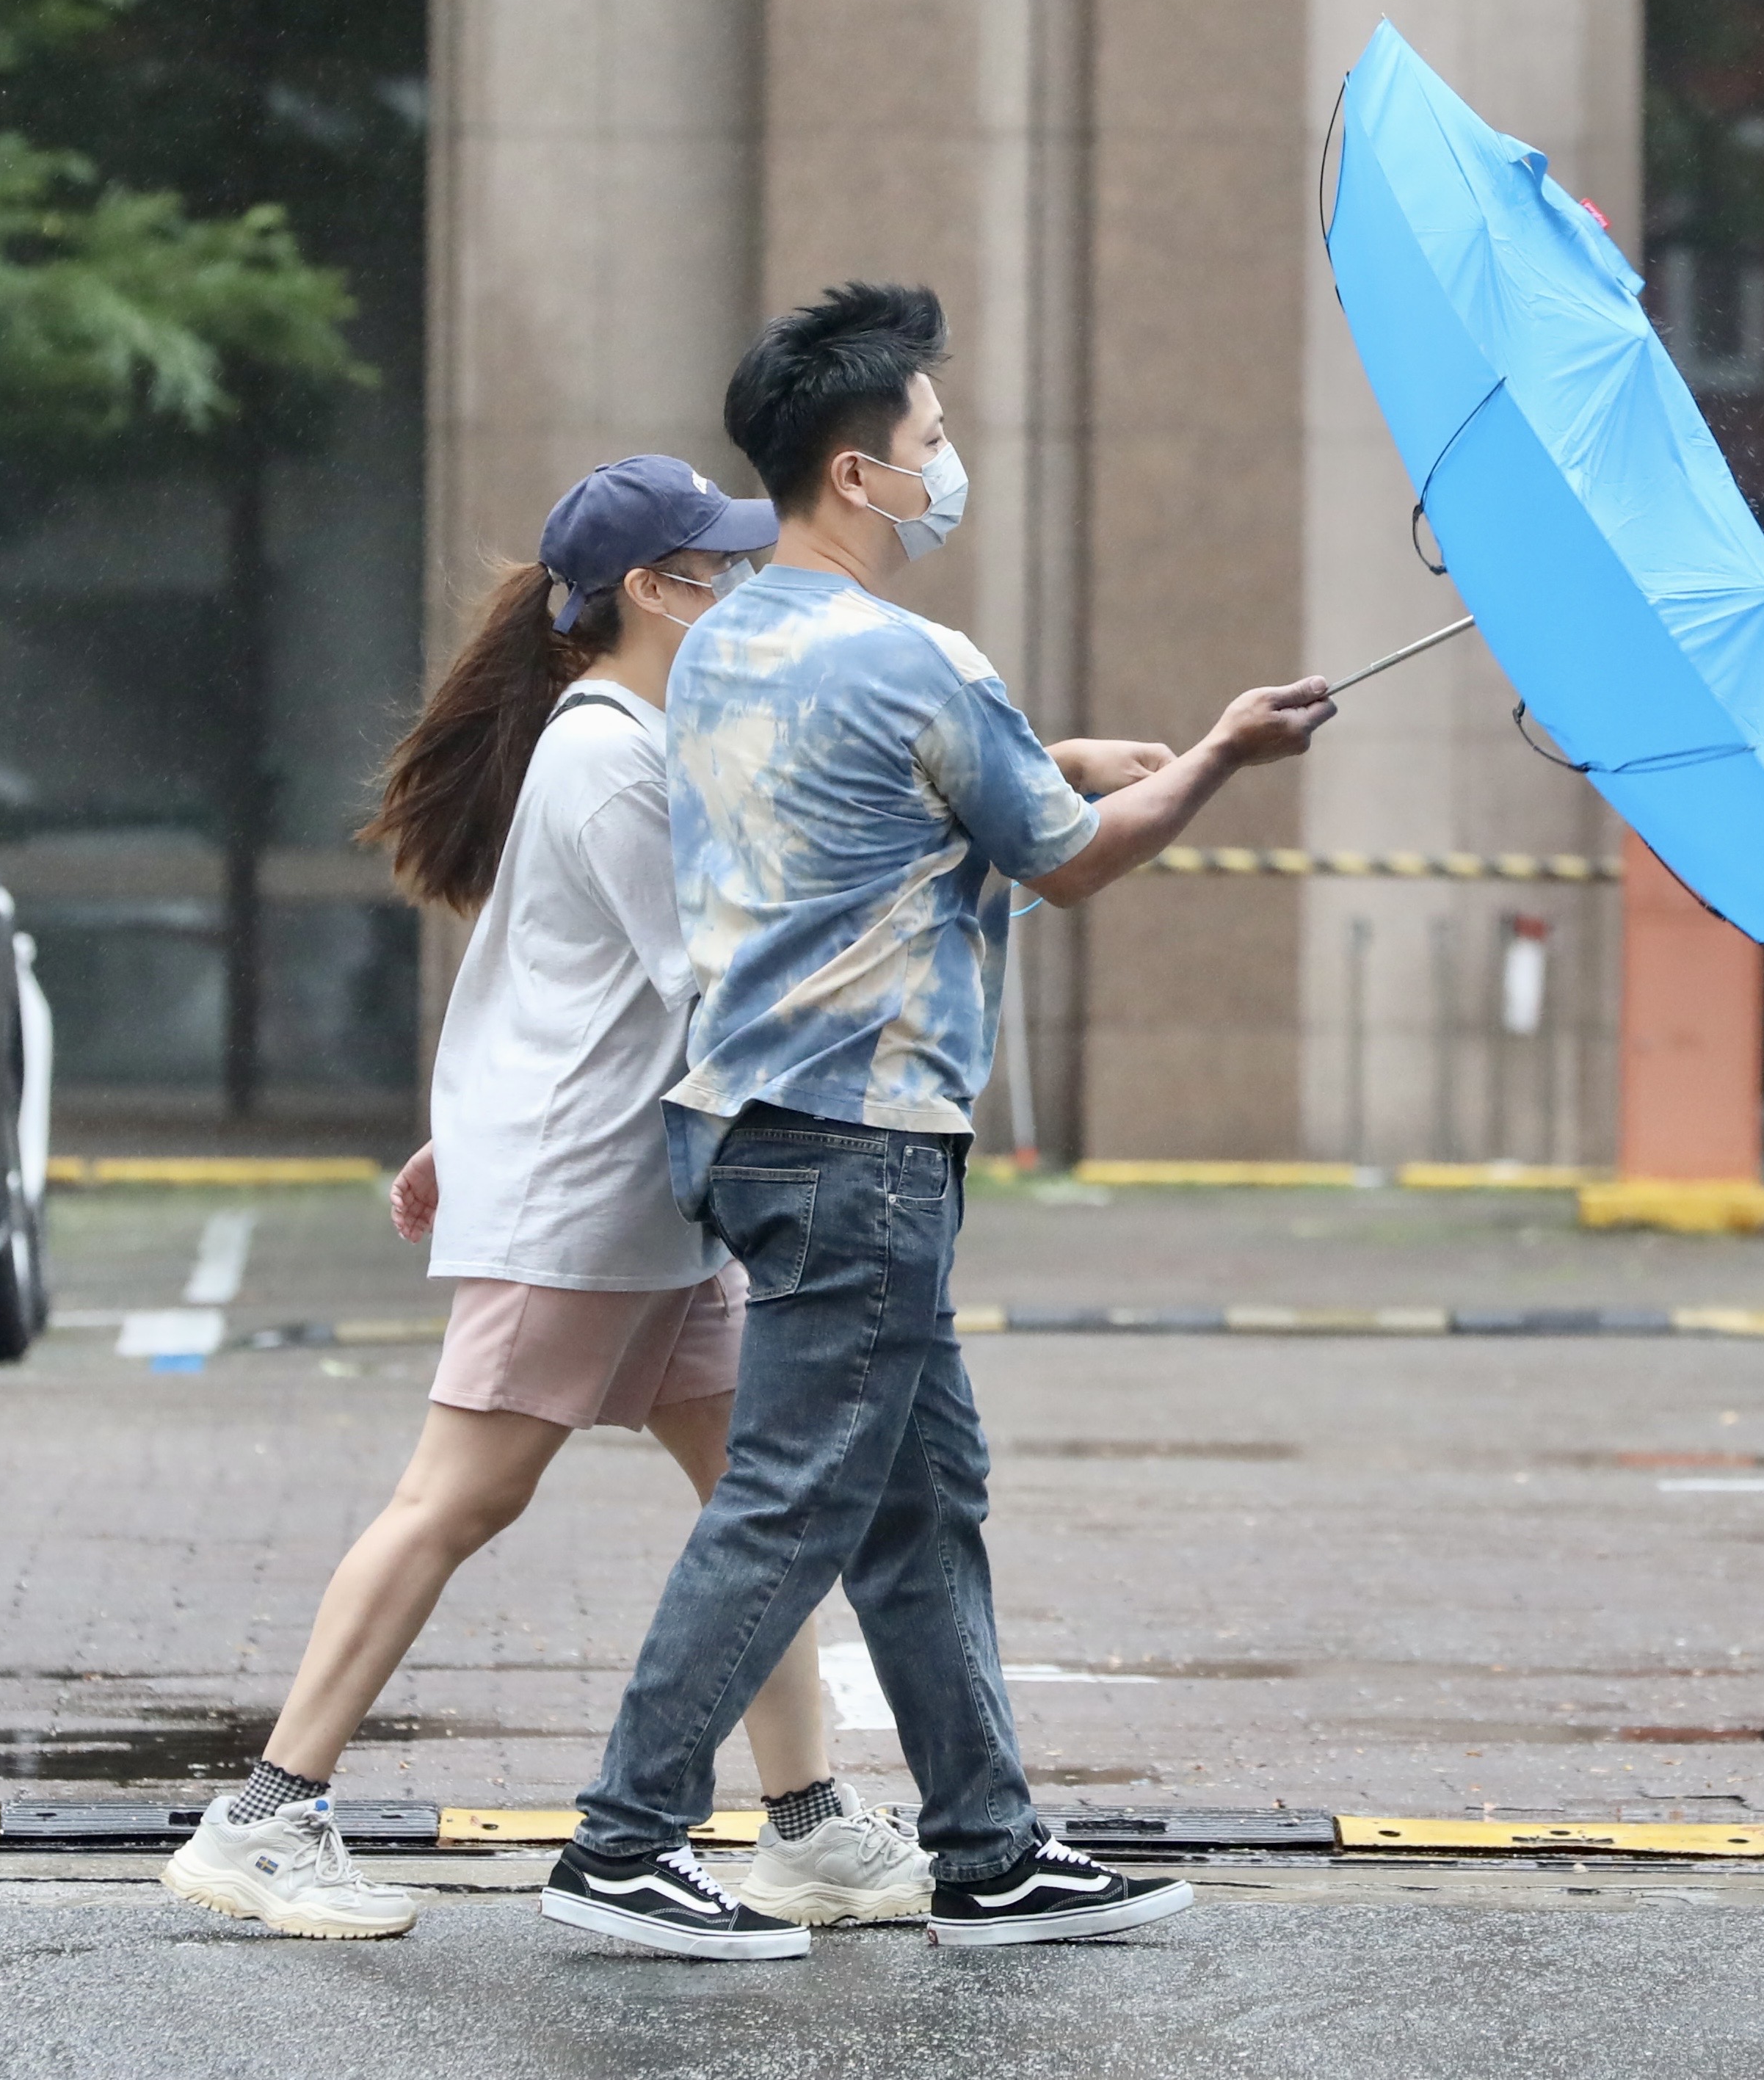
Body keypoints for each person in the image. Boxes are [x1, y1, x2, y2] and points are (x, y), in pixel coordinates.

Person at [541, 284, 1336, 1961]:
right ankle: (620, 1838)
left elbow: (859, 828)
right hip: (860, 1135)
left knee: (918, 1495)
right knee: (798, 1498)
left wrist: (1039, 753)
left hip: (756, 1118)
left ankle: (986, 1845)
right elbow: (1067, 858)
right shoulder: (916, 659)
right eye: (932, 437)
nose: (947, 459)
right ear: (854, 470)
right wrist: (1214, 755)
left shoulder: (728, 643)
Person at [161, 457, 934, 1942]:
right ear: (655, 591)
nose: (746, 591)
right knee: (458, 1498)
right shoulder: (609, 756)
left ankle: (805, 1823)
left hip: (639, 1200)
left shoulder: (634, 736)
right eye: (724, 568)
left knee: (756, 1505)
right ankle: (264, 1812)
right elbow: (706, 978)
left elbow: (561, 980)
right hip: (589, 1202)